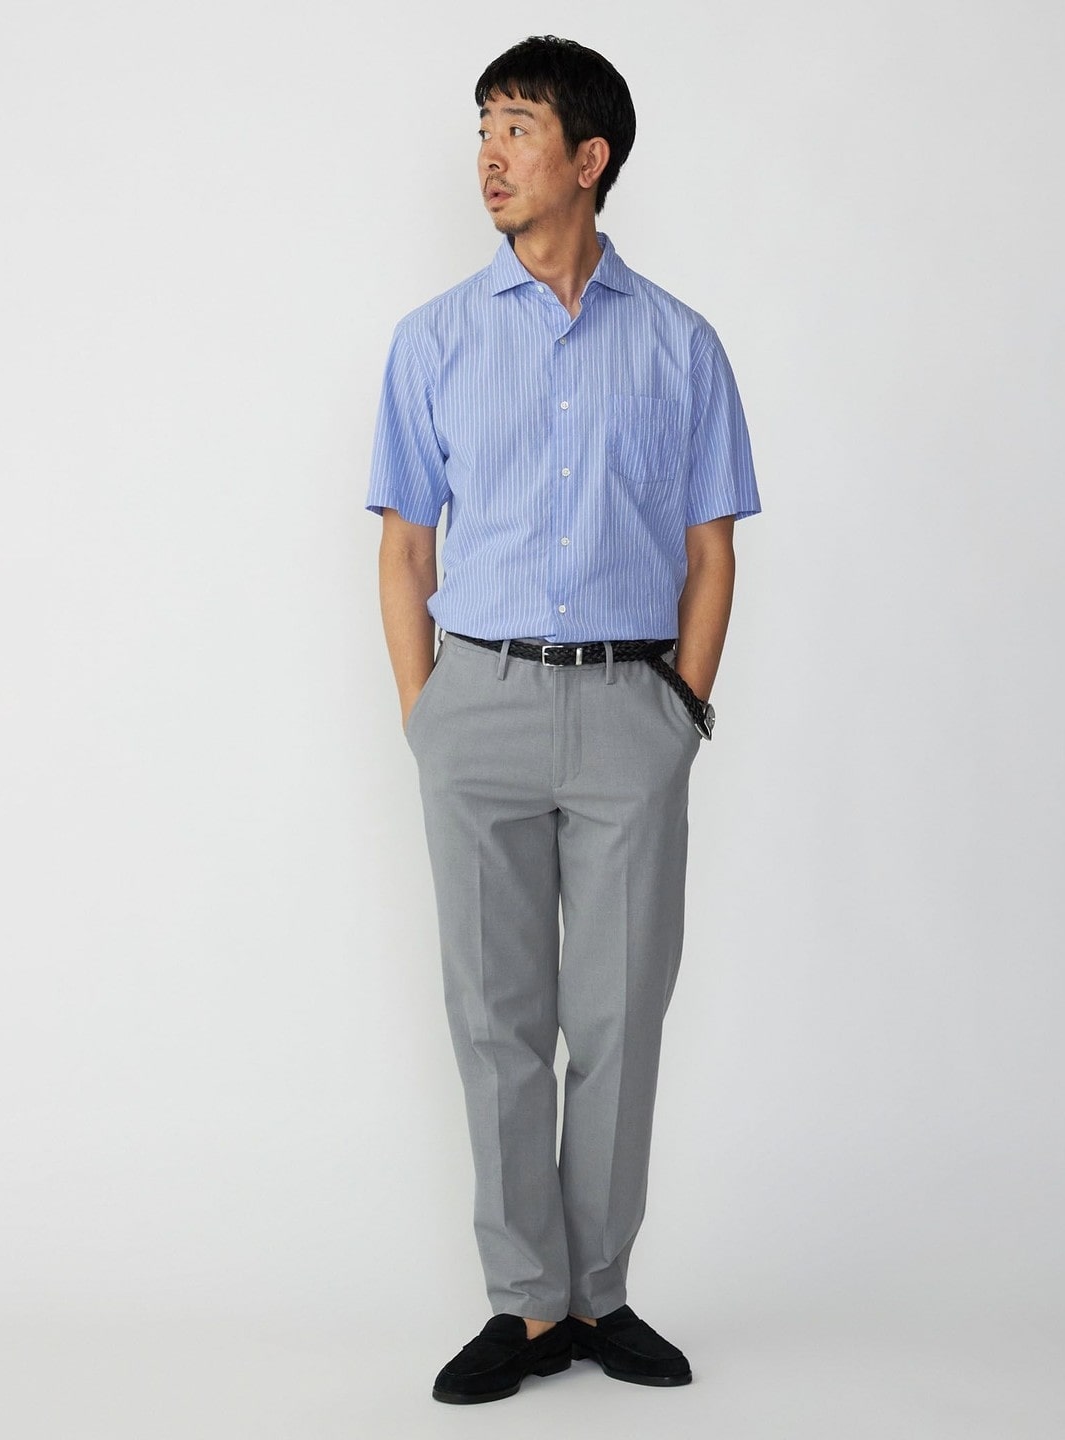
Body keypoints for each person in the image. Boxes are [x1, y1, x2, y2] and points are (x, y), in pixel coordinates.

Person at [367, 35, 760, 1405]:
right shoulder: (432, 340)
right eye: (483, 124)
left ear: (589, 159)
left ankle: (601, 1293)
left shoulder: (682, 344)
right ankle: (527, 1305)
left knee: (621, 1014)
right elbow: (405, 545)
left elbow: (712, 547)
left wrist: (681, 707)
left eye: (518, 126)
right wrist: (427, 716)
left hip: (630, 707)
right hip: (477, 703)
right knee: (496, 1019)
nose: (488, 153)